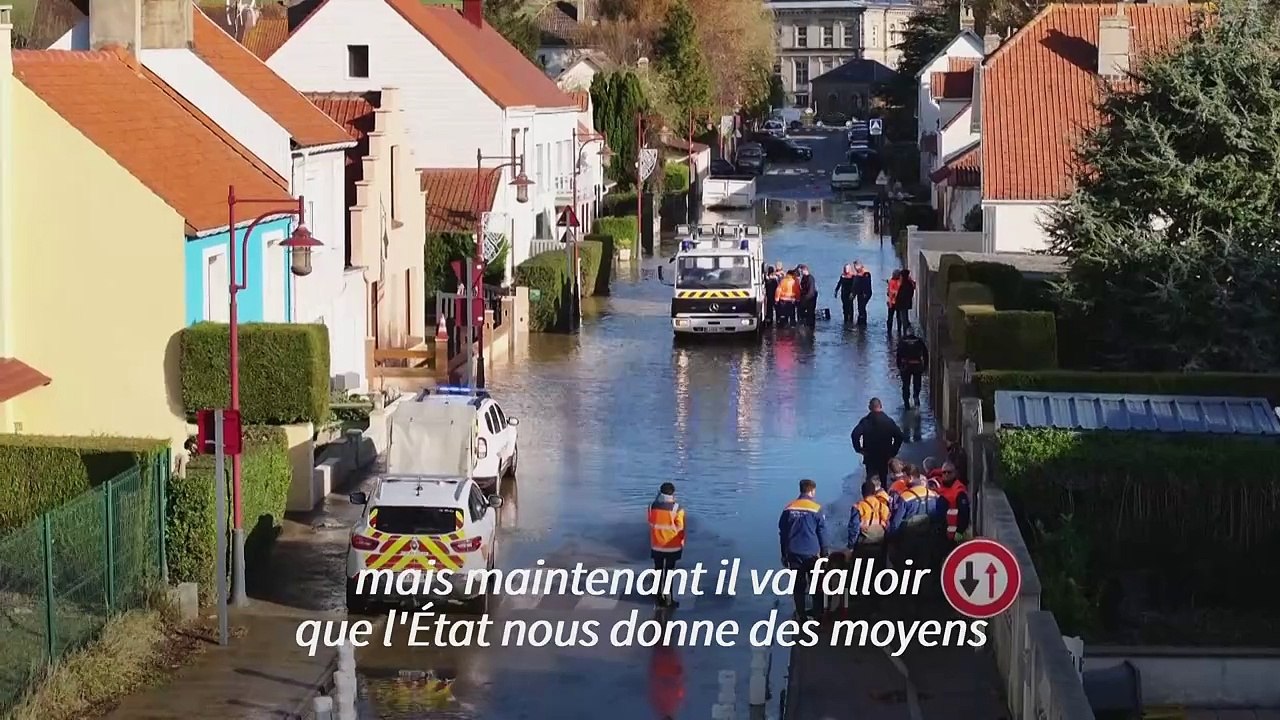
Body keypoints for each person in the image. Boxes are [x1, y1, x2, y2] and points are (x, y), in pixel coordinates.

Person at [778, 479, 828, 620]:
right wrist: (825, 553)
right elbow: (822, 532)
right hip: (812, 553)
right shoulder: (816, 508)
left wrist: (783, 553)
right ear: (812, 491)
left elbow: (782, 533)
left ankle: (801, 614)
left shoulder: (788, 508)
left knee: (798, 586)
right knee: (816, 584)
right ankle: (817, 613)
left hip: (793, 552)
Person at [887, 475, 944, 568]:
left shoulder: (905, 497)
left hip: (908, 540)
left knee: (907, 569)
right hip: (927, 538)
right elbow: (938, 517)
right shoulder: (934, 496)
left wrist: (892, 537)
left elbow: (896, 522)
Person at [648, 482, 686, 608]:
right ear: (673, 493)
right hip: (673, 546)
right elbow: (680, 528)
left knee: (658, 570)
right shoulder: (677, 508)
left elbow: (650, 521)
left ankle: (659, 597)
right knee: (669, 572)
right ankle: (669, 598)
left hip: (657, 545)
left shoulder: (652, 506)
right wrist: (681, 541)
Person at [850, 398, 905, 483]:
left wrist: (859, 449)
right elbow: (900, 436)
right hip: (884, 455)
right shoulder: (888, 421)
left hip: (870, 455)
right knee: (883, 479)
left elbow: (855, 435)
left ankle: (870, 494)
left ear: (869, 407)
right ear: (881, 406)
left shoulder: (865, 421)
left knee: (871, 480)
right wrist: (893, 452)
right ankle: (883, 494)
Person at [933, 462, 971, 544]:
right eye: (944, 472)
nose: (946, 474)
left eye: (949, 472)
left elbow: (964, 514)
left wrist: (959, 533)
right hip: (940, 534)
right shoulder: (941, 489)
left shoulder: (959, 491)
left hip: (953, 538)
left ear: (954, 473)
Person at [895, 324, 929, 407]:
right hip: (917, 365)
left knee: (905, 385)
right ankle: (916, 396)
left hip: (905, 366)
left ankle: (906, 401)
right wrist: (925, 366)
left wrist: (899, 366)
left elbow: (898, 355)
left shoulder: (902, 341)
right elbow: (925, 354)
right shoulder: (919, 341)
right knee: (917, 383)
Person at [894, 269, 916, 335]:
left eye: (900, 276)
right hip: (903, 305)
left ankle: (906, 334)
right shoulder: (907, 284)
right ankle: (904, 333)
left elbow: (902, 296)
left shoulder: (906, 285)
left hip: (903, 305)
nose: (900, 277)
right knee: (903, 318)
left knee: (904, 320)